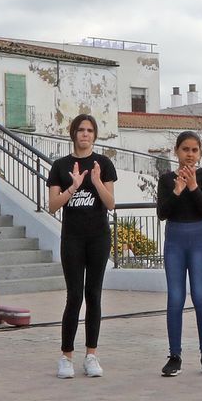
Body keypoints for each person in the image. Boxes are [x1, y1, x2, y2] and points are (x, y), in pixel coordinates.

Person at [47, 114, 116, 379]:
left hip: (98, 237)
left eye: (89, 130)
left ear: (95, 135)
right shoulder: (60, 166)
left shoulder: (104, 164)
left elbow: (110, 204)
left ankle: (91, 355)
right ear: (73, 133)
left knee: (94, 295)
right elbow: (53, 205)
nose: (85, 134)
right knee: (74, 295)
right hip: (72, 238)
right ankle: (66, 356)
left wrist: (96, 181)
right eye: (80, 130)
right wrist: (73, 187)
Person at [156, 131, 202, 377]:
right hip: (175, 240)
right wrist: (178, 189)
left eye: (194, 150)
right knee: (175, 297)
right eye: (185, 149)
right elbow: (163, 212)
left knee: (201, 296)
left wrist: (192, 186)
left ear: (200, 153)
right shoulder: (166, 179)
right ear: (176, 152)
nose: (189, 154)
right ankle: (175, 355)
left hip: (199, 239)